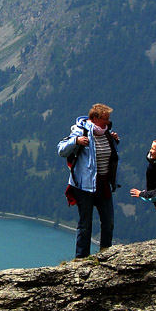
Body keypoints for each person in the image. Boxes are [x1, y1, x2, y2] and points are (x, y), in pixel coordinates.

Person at [57, 103, 120, 259]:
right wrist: (76, 141)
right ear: (95, 118)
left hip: (103, 184)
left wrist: (115, 141)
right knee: (85, 224)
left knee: (108, 222)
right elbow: (61, 150)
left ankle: (105, 254)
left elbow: (111, 157)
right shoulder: (80, 131)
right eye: (105, 118)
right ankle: (81, 258)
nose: (108, 121)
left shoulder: (107, 134)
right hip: (84, 187)